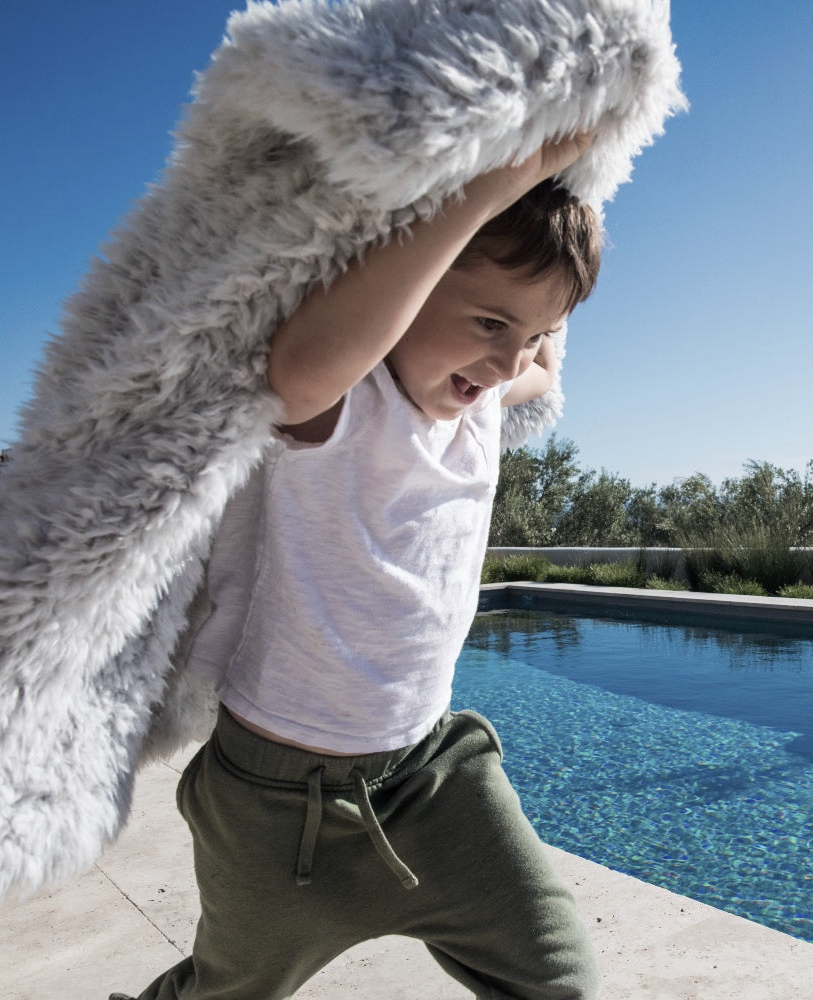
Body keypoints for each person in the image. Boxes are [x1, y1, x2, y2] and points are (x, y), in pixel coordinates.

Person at [111, 133, 603, 1000]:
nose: (505, 363)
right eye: (489, 323)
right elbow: (301, 364)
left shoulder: (484, 400)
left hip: (433, 777)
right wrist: (494, 183)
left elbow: (542, 351)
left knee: (561, 979)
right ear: (403, 285)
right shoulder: (336, 403)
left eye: (529, 338)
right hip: (273, 804)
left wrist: (571, 189)